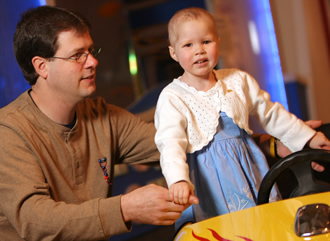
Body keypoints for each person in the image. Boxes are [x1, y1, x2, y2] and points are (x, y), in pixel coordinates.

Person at [0, 6, 199, 240]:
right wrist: (126, 208)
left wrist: (245, 137)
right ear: (41, 66)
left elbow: (173, 143)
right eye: (77, 55)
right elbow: (36, 221)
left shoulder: (100, 115)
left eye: (91, 51)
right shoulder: (9, 132)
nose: (93, 61)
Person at [154, 7, 330, 227]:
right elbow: (170, 143)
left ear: (218, 42)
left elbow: (271, 114)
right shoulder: (172, 97)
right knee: (230, 228)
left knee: (266, 222)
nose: (199, 50)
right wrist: (178, 179)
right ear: (173, 52)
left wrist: (307, 138)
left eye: (206, 42)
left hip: (251, 167)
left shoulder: (238, 80)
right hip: (212, 181)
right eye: (188, 45)